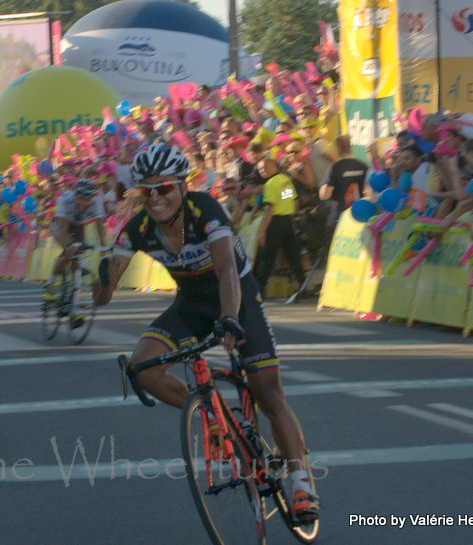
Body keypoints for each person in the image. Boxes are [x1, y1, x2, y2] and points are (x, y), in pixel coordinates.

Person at [92, 143, 318, 520]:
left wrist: (230, 317)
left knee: (267, 392)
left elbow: (228, 270)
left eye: (164, 188)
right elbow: (102, 298)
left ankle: (301, 484)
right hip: (192, 302)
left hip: (237, 296)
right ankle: (211, 419)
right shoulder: (137, 229)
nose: (155, 197)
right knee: (143, 367)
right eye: (146, 190)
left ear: (183, 186)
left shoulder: (206, 211)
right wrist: (103, 282)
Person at [43, 178, 107, 301]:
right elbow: (63, 229)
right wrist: (69, 245)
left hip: (78, 225)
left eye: (87, 199)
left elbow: (100, 225)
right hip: (60, 224)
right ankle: (50, 282)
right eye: (80, 198)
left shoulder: (96, 202)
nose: (82, 202)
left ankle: (75, 287)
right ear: (75, 194)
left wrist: (103, 247)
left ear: (92, 198)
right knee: (69, 251)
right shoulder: (64, 200)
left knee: (78, 255)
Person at [255, 157, 306, 296]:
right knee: (293, 256)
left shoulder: (270, 184)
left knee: (267, 257)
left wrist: (263, 231)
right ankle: (302, 286)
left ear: (274, 167)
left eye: (264, 168)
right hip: (288, 222)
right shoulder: (286, 180)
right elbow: (294, 201)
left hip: (275, 222)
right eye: (260, 169)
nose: (262, 171)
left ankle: (259, 290)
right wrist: (293, 217)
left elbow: (269, 208)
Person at [319, 135, 370, 225]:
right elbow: (368, 191)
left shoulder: (335, 167)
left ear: (338, 149)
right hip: (360, 213)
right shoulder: (363, 165)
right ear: (350, 147)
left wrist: (322, 188)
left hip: (340, 215)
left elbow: (326, 195)